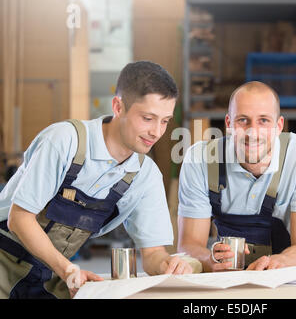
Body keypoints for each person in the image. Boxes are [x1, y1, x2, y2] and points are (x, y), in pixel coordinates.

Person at [0, 61, 192, 299]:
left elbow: (153, 253)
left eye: (165, 121)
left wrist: (166, 264)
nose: (157, 132)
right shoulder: (63, 141)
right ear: (118, 106)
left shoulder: (146, 176)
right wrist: (67, 269)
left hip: (49, 275)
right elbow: (19, 219)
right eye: (147, 118)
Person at [177, 81, 296, 272]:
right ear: (228, 124)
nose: (252, 132)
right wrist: (210, 260)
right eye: (242, 120)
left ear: (279, 125)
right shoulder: (199, 159)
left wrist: (277, 264)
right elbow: (188, 246)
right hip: (227, 278)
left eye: (263, 120)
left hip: (288, 276)